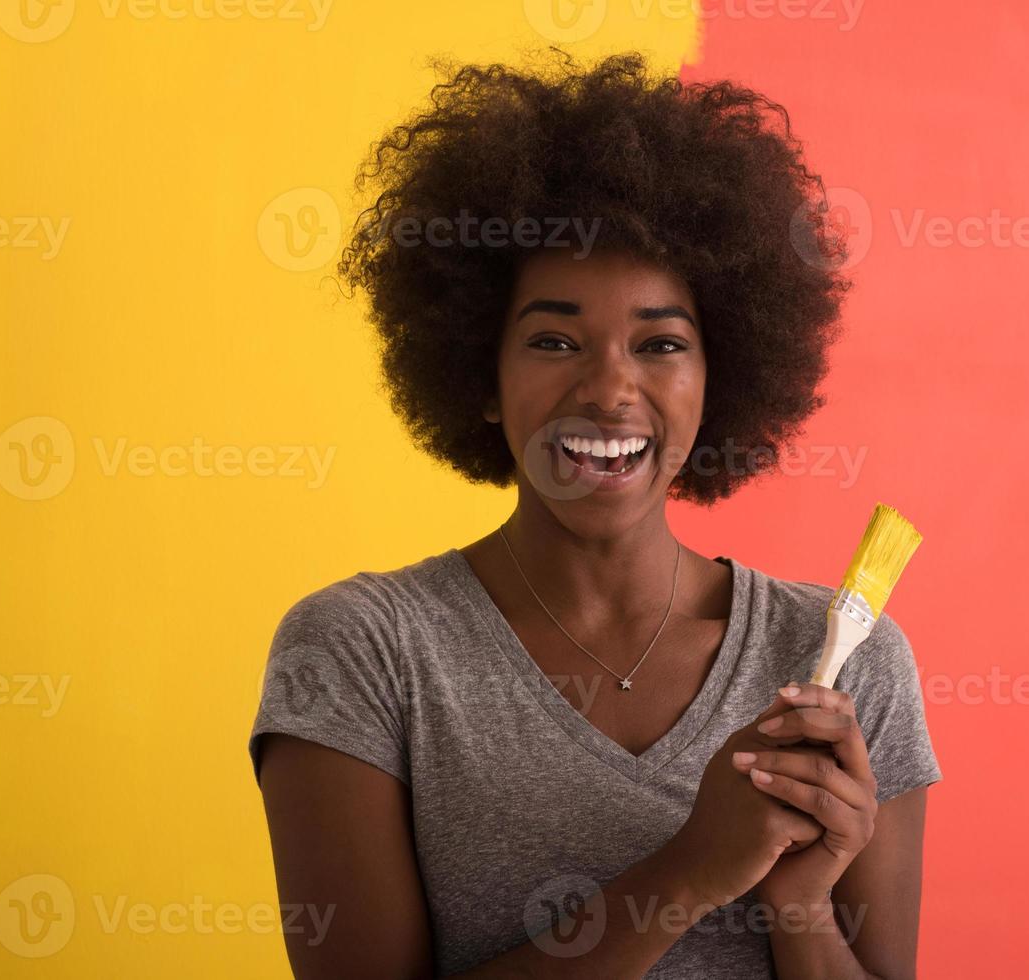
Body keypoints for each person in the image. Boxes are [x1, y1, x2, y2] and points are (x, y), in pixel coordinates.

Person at [249, 48, 940, 979]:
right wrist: (693, 870)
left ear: (718, 377)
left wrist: (800, 904)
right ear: (481, 378)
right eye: (552, 338)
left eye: (659, 342)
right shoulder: (362, 653)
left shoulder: (849, 666)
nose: (609, 389)